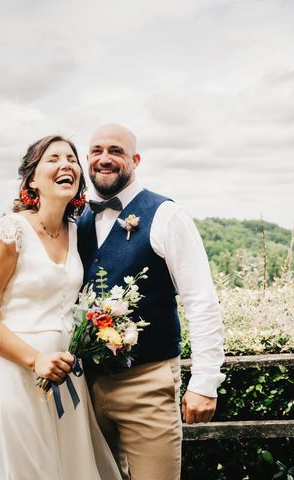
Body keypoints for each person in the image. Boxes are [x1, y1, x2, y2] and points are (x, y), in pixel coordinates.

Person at [0, 135, 121, 479]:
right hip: (14, 379)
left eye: (71, 158)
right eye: (53, 159)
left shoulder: (78, 233)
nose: (66, 164)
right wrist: (35, 359)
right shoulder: (12, 230)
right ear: (32, 178)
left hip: (66, 381)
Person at [77, 123, 226, 480]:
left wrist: (205, 382)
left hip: (148, 382)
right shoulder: (77, 218)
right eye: (96, 151)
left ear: (135, 159)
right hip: (85, 386)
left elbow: (201, 301)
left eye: (116, 151)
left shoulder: (166, 216)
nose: (104, 159)